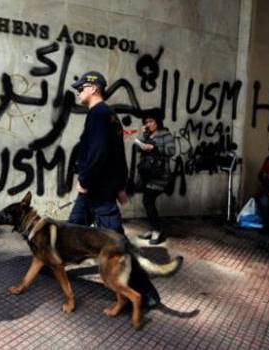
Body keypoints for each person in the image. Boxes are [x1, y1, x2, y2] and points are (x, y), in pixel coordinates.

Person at [68, 71, 161, 309]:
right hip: (95, 192)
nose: (78, 91)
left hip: (97, 193)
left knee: (118, 244)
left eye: (81, 87)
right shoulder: (109, 116)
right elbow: (118, 156)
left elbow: (100, 155)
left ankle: (145, 292)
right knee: (69, 231)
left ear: (93, 88)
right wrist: (121, 186)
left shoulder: (99, 115)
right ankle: (51, 265)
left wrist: (86, 181)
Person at [135, 111, 175, 244]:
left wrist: (154, 148)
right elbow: (138, 149)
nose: (148, 124)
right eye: (146, 122)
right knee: (148, 201)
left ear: (158, 121)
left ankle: (157, 230)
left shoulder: (166, 134)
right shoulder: (147, 134)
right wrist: (142, 137)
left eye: (151, 121)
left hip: (160, 174)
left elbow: (171, 151)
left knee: (148, 200)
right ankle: (154, 229)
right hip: (147, 173)